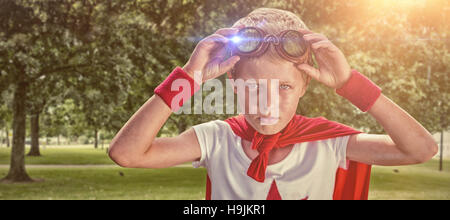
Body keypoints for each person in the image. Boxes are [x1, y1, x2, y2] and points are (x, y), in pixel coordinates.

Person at [108, 8, 438, 200]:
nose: (268, 99)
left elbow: (420, 149)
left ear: (304, 85)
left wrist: (350, 84)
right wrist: (189, 79)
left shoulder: (330, 144)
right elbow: (127, 153)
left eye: (283, 86)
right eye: (254, 85)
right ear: (235, 85)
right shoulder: (216, 138)